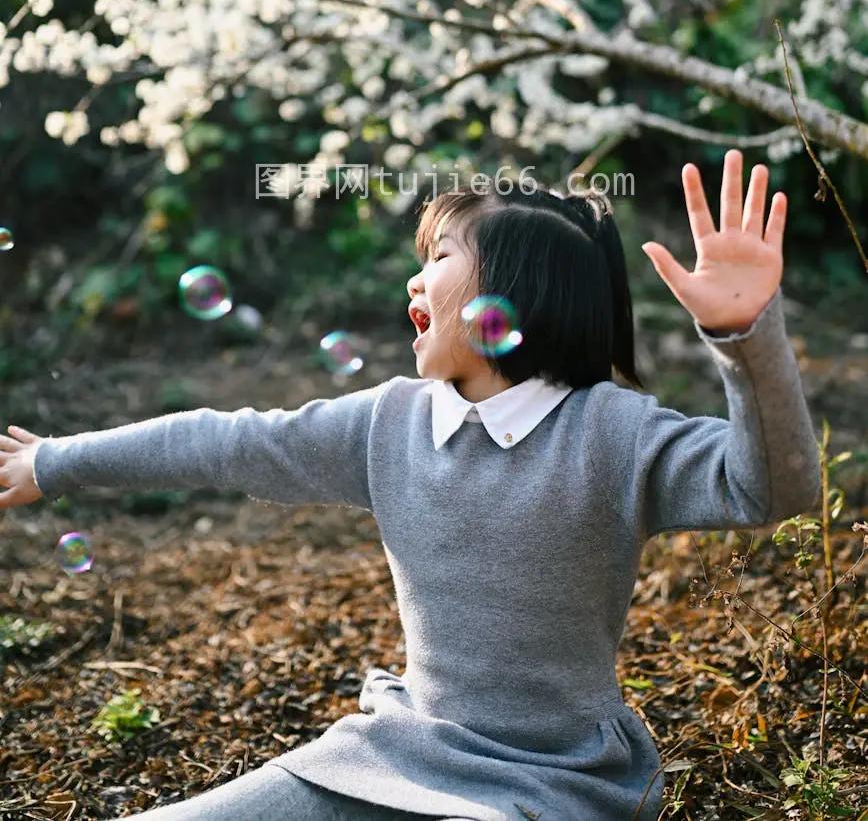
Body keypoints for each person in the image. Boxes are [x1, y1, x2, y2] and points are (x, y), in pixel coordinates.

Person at [0, 149, 820, 820]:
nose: (413, 283)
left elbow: (770, 489)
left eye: (438, 257)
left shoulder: (612, 432)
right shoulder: (386, 422)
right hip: (400, 750)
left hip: (559, 781)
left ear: (514, 291)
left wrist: (742, 335)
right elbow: (225, 442)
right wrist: (54, 460)